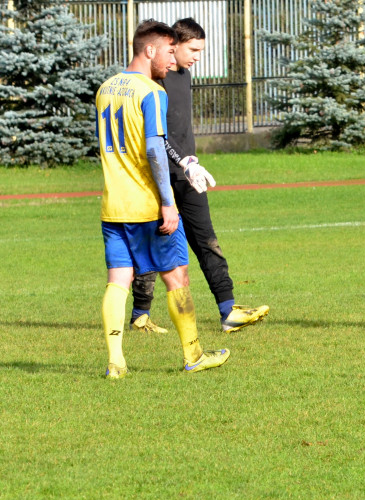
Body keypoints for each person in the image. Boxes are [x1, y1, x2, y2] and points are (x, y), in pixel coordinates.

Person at [96, 20, 229, 378]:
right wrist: (167, 202)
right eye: (169, 51)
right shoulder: (152, 92)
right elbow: (154, 149)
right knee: (177, 278)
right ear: (150, 49)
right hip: (146, 206)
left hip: (112, 206)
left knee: (117, 281)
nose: (173, 60)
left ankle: (116, 362)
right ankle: (194, 356)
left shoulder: (106, 88)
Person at [129, 18, 269, 335]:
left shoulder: (184, 74)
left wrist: (191, 162)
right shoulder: (153, 80)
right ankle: (140, 315)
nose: (197, 56)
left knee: (207, 240)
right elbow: (157, 137)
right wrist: (182, 162)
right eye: (193, 49)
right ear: (172, 46)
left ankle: (227, 311)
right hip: (158, 176)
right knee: (154, 244)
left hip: (189, 174)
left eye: (201, 50)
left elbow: (179, 129)